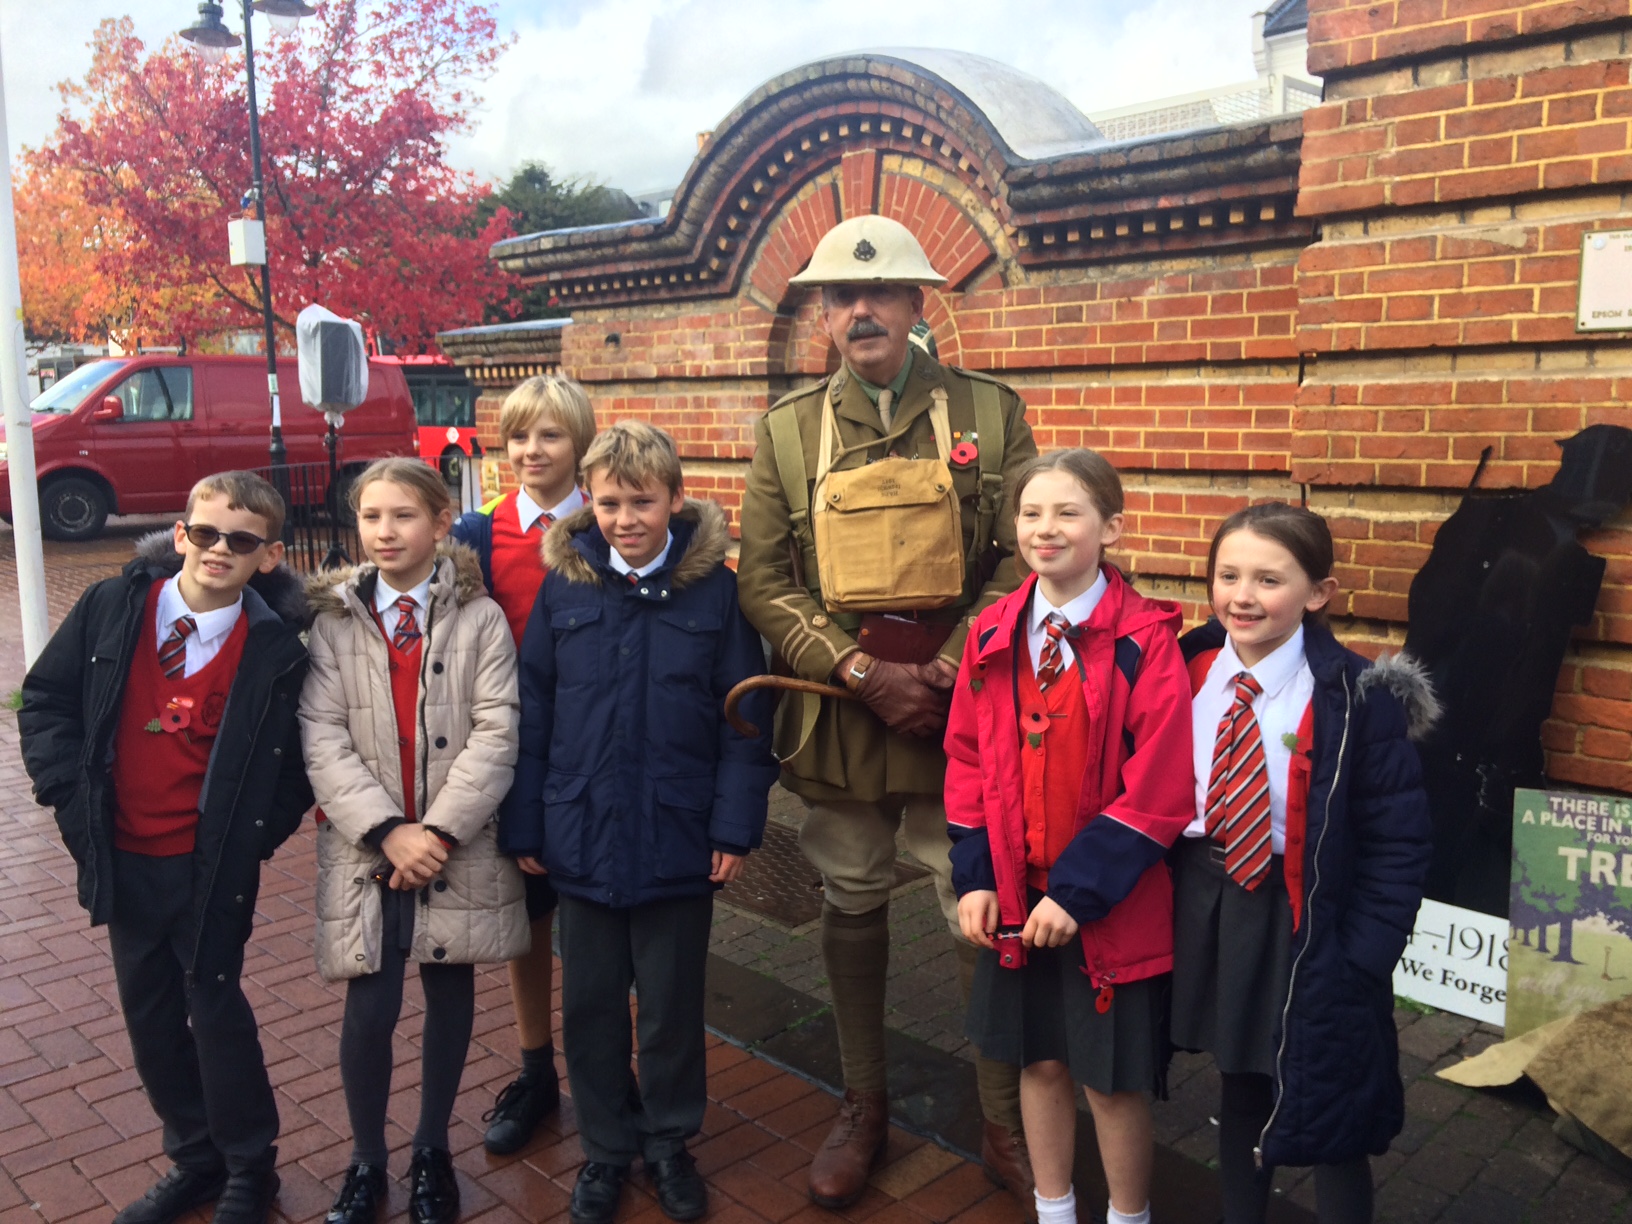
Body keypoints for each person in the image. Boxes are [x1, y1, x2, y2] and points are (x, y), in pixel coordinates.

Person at [736, 213, 1040, 1208]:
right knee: (850, 901)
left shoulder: (991, 416)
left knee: (978, 908)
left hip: (963, 712)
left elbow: (1022, 561)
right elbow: (767, 585)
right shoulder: (785, 432)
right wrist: (863, 672)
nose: (859, 310)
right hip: (840, 714)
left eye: (880, 294)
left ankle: (1003, 1117)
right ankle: (862, 1104)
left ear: (918, 305)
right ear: (823, 317)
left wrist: (949, 663)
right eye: (839, 298)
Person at [503, 421, 777, 1224]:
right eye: (610, 502)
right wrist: (526, 824)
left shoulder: (716, 593)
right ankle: (606, 1150)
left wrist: (734, 827)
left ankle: (667, 1141)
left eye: (643, 502)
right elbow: (535, 708)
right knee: (589, 1005)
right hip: (579, 832)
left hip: (677, 834)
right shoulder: (567, 586)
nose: (625, 519)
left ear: (675, 500)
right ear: (588, 502)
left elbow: (744, 720)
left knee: (668, 1006)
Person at [18, 472, 311, 1224]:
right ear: (180, 533)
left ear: (267, 556)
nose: (219, 550)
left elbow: (296, 768)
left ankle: (251, 1167)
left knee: (214, 1009)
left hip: (209, 868)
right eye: (206, 533)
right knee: (148, 1016)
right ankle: (194, 1156)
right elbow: (47, 700)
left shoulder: (275, 652)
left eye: (241, 541)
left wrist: (254, 841)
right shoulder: (114, 607)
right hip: (121, 856)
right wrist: (66, 794)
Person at [945, 450, 1193, 1224]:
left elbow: (1160, 788)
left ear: (1110, 527)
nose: (1045, 529)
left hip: (1106, 906)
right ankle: (1054, 1210)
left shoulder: (1144, 642)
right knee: (1038, 1061)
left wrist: (1079, 892)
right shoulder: (991, 633)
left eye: (1068, 512)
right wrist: (977, 874)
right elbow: (965, 759)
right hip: (1017, 899)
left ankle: (1127, 1215)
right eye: (1031, 513)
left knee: (1110, 1081)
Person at [1173, 503, 1435, 1224]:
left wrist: (1364, 955)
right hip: (1214, 904)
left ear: (1318, 592)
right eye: (1227, 575)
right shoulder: (1183, 668)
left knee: (1329, 1087)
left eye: (1269, 578)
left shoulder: (1359, 697)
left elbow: (1398, 840)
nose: (1243, 595)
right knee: (1243, 1083)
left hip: (1310, 918)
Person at [300, 458, 526, 1224]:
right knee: (370, 1004)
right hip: (368, 845)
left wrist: (437, 830)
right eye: (371, 517)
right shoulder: (332, 620)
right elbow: (322, 737)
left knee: (448, 989)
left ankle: (432, 1148)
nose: (385, 531)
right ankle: (366, 1161)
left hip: (451, 841)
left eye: (403, 515)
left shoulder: (480, 616)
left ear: (438, 521)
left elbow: (497, 732)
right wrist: (389, 830)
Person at [451, 374, 599, 1155]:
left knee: (606, 923)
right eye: (518, 437)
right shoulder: (480, 535)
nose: (531, 451)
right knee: (527, 919)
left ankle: (610, 1070)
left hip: (604, 754)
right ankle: (537, 1067)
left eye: (548, 436)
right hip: (522, 758)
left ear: (578, 444)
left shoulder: (610, 524)